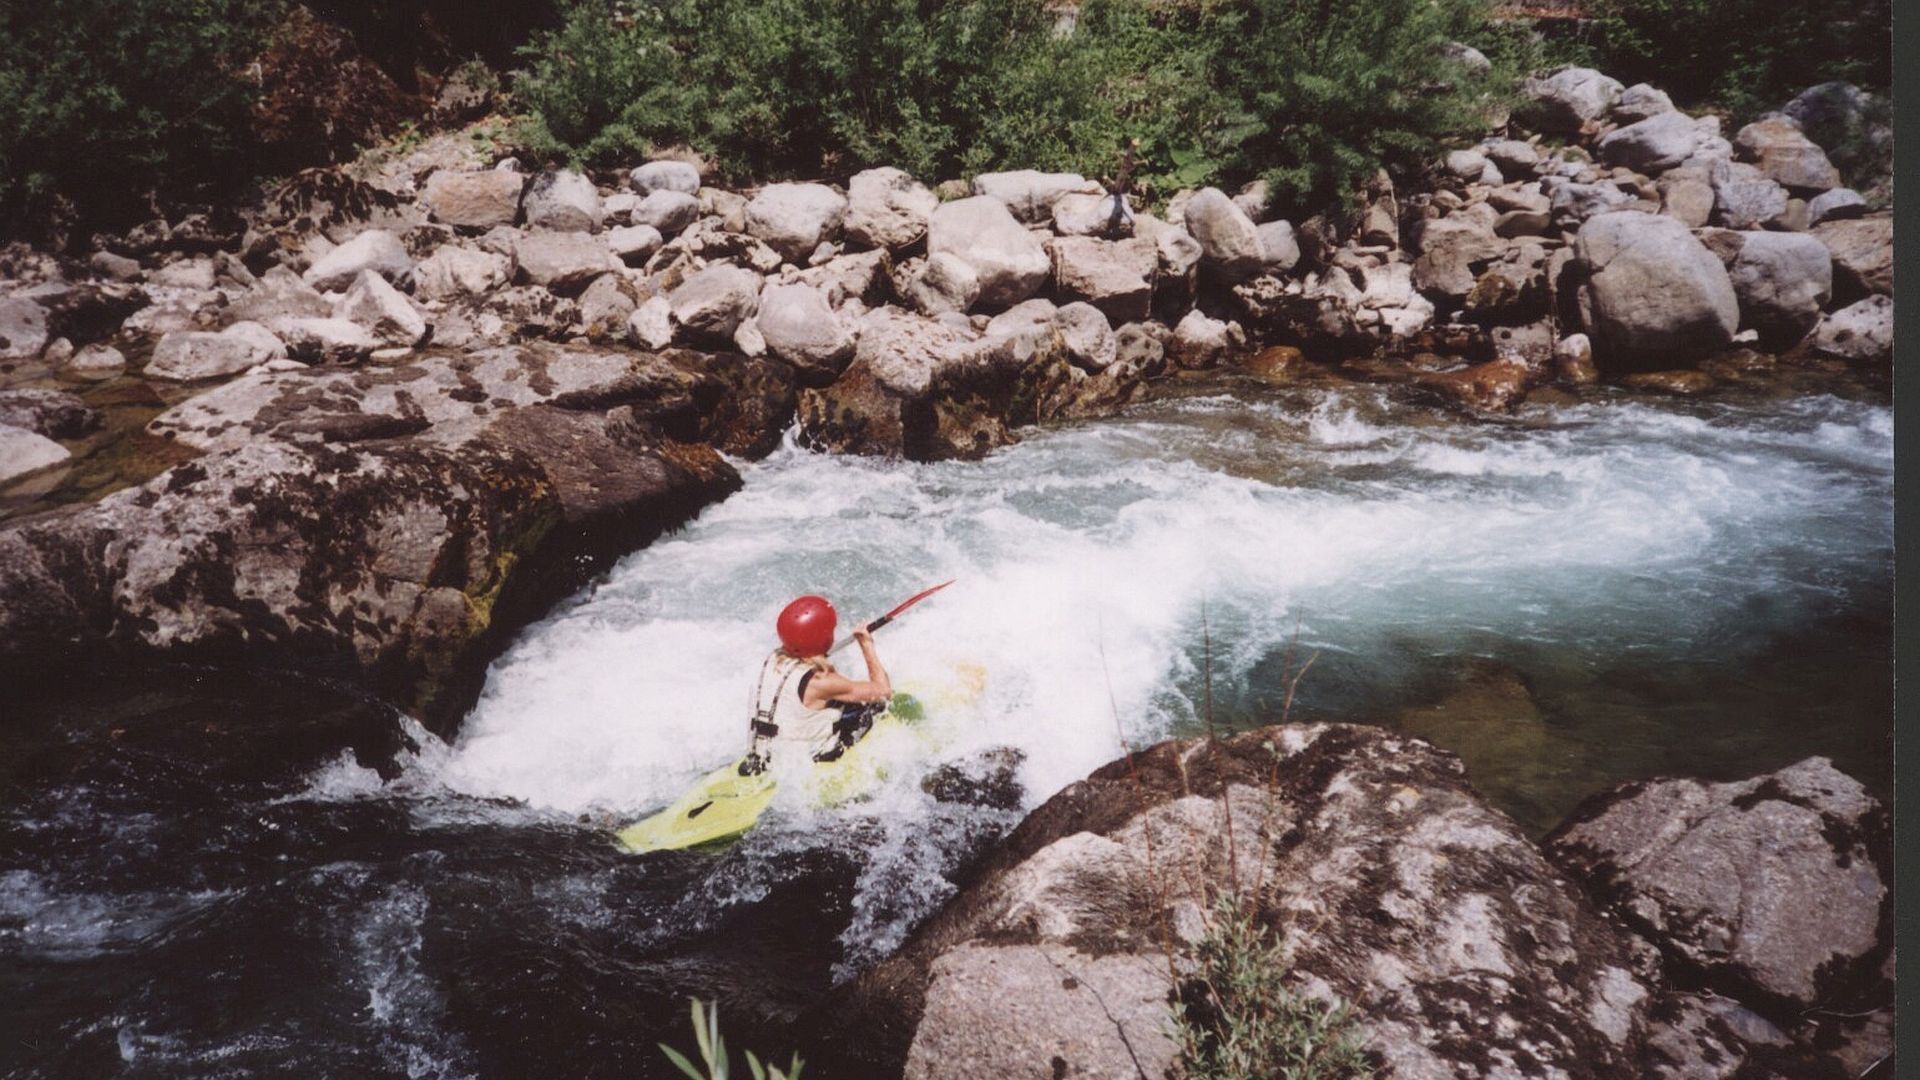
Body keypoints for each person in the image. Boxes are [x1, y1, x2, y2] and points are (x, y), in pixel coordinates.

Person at [740, 595, 891, 776]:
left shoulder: (774, 659)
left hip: (763, 756)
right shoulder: (821, 681)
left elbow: (803, 662)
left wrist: (817, 654)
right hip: (804, 765)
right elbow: (883, 691)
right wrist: (866, 644)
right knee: (875, 706)